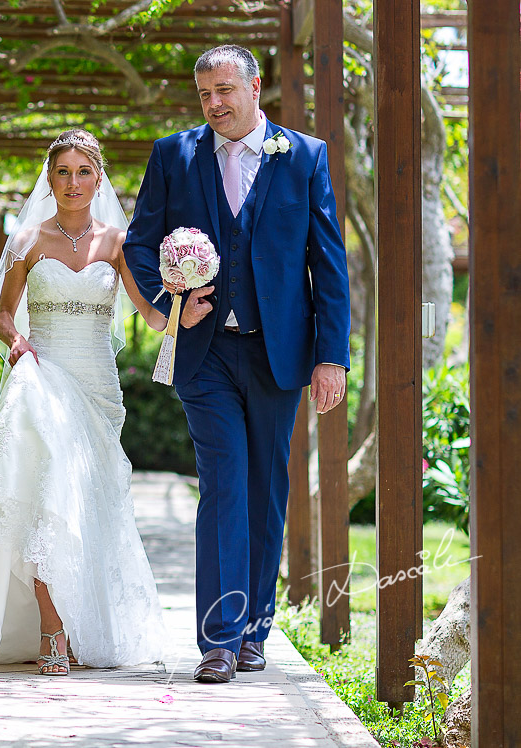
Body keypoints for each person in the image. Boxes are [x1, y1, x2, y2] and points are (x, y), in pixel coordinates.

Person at [123, 45, 352, 684]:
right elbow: (141, 244)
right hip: (205, 355)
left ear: (255, 87)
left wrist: (331, 356)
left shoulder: (304, 156)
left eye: (226, 90)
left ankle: (256, 629)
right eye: (205, 95)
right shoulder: (174, 155)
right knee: (223, 478)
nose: (216, 103)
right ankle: (219, 639)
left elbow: (327, 264)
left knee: (266, 486)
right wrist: (171, 306)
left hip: (279, 354)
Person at [0, 129, 171, 674]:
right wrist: (16, 341)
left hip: (96, 383)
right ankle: (51, 632)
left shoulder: (116, 243)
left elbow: (148, 311)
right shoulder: (27, 240)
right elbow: (1, 314)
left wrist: (189, 310)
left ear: (99, 178)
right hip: (42, 376)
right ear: (49, 178)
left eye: (83, 172)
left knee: (88, 501)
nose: (73, 183)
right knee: (49, 496)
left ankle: (82, 622)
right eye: (63, 172)